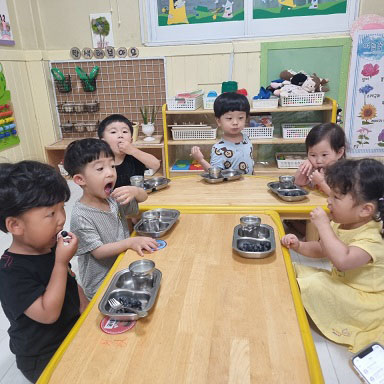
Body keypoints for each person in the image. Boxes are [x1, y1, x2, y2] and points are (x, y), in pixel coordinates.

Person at [281, 158, 384, 352]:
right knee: (293, 269)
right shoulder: (343, 222)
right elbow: (322, 249)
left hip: (363, 301)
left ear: (365, 210)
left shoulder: (373, 238)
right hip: (341, 284)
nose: (329, 200)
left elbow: (343, 260)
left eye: (336, 197)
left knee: (314, 284)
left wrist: (323, 225)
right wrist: (299, 246)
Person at [0, 161, 80, 383]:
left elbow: (71, 284)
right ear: (15, 225)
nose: (62, 218)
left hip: (72, 331)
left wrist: (89, 313)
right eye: (51, 213)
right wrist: (60, 264)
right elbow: (47, 313)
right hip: (42, 354)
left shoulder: (52, 246)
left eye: (62, 207)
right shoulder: (9, 272)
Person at [64, 138, 158, 300]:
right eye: (100, 168)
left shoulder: (113, 198)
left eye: (112, 166)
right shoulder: (81, 215)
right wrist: (129, 242)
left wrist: (135, 190)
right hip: (101, 283)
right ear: (80, 179)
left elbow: (142, 199)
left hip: (122, 268)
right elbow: (99, 252)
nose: (110, 172)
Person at [190, 92, 254, 174]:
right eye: (229, 118)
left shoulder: (246, 138)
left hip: (249, 185)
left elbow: (250, 164)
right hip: (230, 186)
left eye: (240, 118)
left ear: (246, 119)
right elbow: (214, 174)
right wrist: (201, 160)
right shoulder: (219, 149)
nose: (235, 122)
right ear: (219, 121)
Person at [98, 114, 160, 188]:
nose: (120, 135)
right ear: (103, 142)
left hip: (136, 197)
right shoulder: (99, 161)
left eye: (124, 131)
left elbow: (156, 165)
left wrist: (133, 151)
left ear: (131, 140)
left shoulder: (135, 156)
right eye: (113, 132)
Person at [295, 122, 345, 196]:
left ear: (339, 152)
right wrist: (304, 168)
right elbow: (298, 182)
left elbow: (338, 197)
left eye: (324, 155)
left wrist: (321, 182)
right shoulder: (313, 168)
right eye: (313, 155)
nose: (318, 161)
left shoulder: (342, 172)